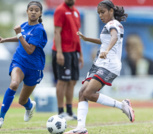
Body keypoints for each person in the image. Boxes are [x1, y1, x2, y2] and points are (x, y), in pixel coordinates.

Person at [65, 0, 135, 133]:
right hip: (99, 64)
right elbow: (104, 40)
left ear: (111, 11)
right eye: (98, 13)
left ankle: (122, 105)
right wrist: (86, 39)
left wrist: (107, 50)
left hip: (109, 65)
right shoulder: (110, 25)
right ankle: (81, 128)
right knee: (82, 93)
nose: (100, 15)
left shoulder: (113, 24)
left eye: (103, 12)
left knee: (88, 93)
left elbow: (113, 38)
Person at [0, 1, 47, 129]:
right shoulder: (24, 26)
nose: (33, 12)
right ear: (27, 11)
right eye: (31, 9)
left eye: (36, 10)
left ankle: (29, 106)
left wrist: (19, 33)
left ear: (40, 13)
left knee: (22, 100)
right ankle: (0, 118)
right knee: (14, 84)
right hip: (19, 61)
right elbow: (20, 38)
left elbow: (30, 50)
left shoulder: (39, 30)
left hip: (34, 67)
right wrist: (4, 40)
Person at [52, 0, 84, 121]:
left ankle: (69, 111)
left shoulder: (76, 12)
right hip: (63, 51)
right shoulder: (60, 10)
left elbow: (77, 34)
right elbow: (57, 32)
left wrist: (80, 53)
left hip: (73, 52)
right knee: (62, 81)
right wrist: (59, 52)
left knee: (72, 81)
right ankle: (61, 111)